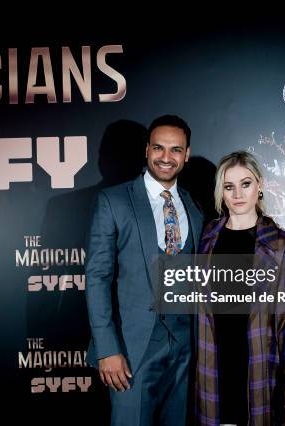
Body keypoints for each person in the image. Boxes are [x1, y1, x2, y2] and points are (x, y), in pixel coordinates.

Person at [85, 115, 204, 425]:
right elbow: (97, 278)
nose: (166, 158)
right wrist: (107, 348)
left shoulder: (194, 205)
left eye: (175, 150)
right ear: (147, 150)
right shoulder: (114, 201)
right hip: (132, 349)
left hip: (186, 349)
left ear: (186, 154)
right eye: (159, 148)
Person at [195, 151, 285, 425]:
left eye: (245, 184)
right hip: (213, 366)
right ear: (221, 192)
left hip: (258, 366)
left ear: (259, 185)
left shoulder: (281, 245)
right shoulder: (208, 237)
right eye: (229, 186)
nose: (237, 194)